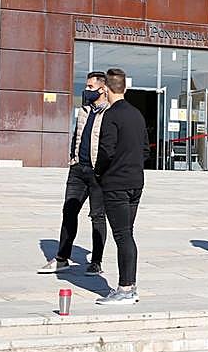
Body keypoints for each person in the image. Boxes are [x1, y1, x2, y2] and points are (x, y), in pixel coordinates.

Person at [39, 71, 109, 275]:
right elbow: (76, 135)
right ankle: (62, 257)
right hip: (78, 169)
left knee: (97, 216)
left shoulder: (110, 113)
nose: (86, 90)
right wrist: (73, 158)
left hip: (98, 173)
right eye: (87, 86)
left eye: (90, 87)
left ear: (102, 89)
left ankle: (96, 261)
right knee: (69, 212)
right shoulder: (84, 110)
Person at [93, 68, 149, 305]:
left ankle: (125, 288)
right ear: (125, 88)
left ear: (105, 89)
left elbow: (106, 150)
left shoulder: (110, 115)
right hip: (136, 182)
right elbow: (146, 149)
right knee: (127, 234)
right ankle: (130, 286)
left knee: (122, 235)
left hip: (116, 183)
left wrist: (99, 172)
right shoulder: (137, 114)